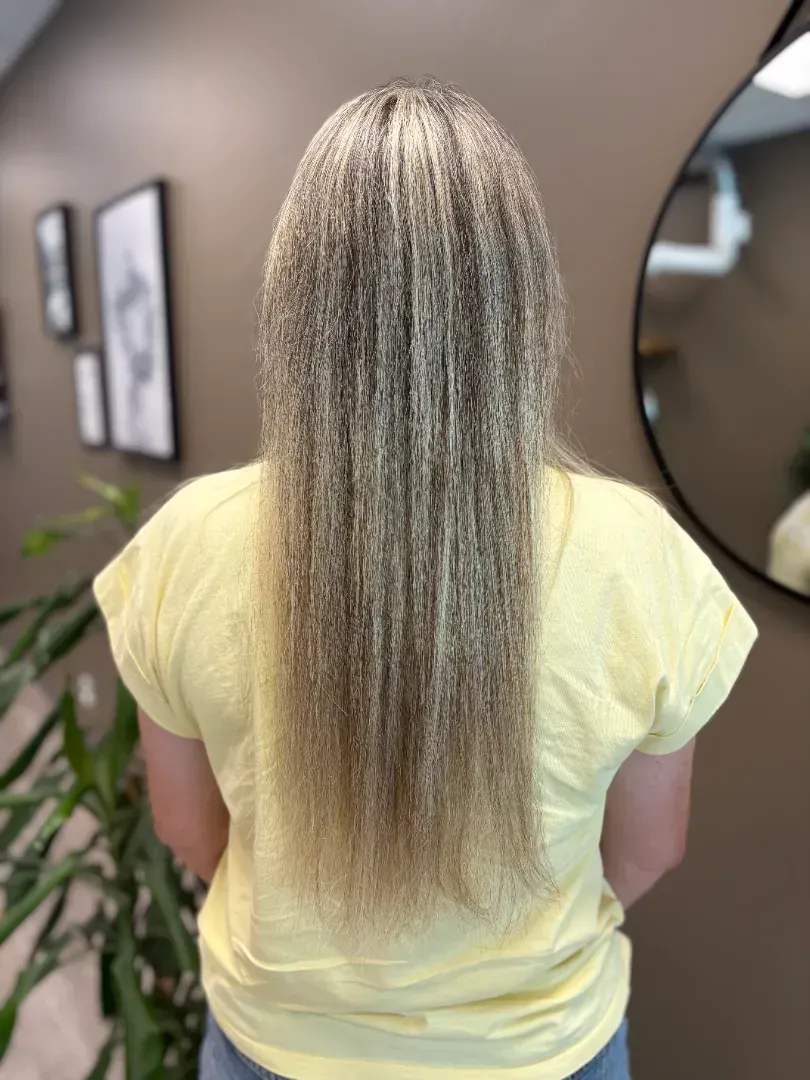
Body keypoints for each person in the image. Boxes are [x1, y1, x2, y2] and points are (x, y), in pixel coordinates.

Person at [94, 78, 757, 1080]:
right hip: (543, 1049)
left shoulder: (189, 543)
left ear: (296, 300)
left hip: (276, 1045)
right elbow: (648, 851)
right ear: (521, 305)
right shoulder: (640, 556)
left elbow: (189, 830)